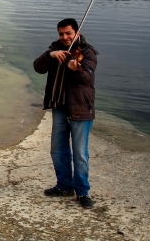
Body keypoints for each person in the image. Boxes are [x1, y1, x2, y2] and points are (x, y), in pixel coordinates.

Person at [33, 18, 98, 209]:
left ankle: (83, 192)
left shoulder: (87, 52)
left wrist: (74, 70)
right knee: (57, 150)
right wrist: (50, 55)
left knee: (80, 153)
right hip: (59, 106)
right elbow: (38, 67)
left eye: (68, 33)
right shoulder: (56, 49)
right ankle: (64, 186)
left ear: (76, 33)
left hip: (80, 109)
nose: (65, 37)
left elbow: (86, 78)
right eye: (61, 33)